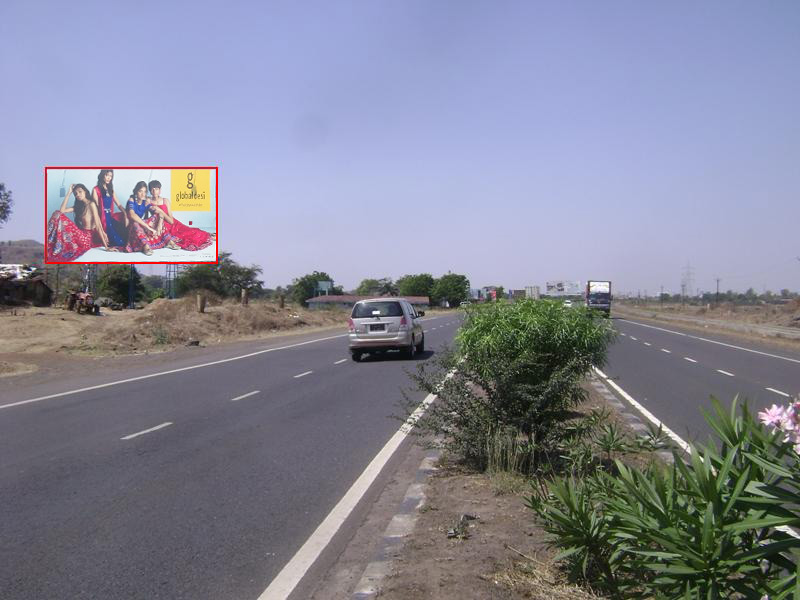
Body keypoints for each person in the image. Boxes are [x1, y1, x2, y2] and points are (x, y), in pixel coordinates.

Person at [46, 183, 113, 261]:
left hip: (86, 239)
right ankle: (49, 243)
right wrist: (69, 193)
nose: (78, 195)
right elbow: (62, 211)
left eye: (80, 192)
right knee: (57, 213)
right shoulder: (78, 206)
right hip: (81, 234)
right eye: (75, 194)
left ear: (85, 191)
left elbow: (98, 225)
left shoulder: (91, 204)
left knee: (57, 214)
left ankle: (52, 244)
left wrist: (106, 247)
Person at [147, 180, 216, 251]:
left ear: (160, 190)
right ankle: (210, 235)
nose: (154, 191)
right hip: (159, 224)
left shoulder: (165, 201)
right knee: (183, 235)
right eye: (152, 189)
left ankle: (210, 236)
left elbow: (171, 221)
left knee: (188, 231)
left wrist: (160, 211)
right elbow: (146, 216)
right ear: (150, 190)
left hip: (171, 223)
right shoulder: (148, 201)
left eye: (156, 189)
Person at [125, 181, 177, 256]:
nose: (143, 194)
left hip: (141, 224)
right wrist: (148, 227)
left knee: (156, 216)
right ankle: (146, 246)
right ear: (136, 191)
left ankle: (168, 241)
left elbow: (158, 213)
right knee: (135, 223)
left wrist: (159, 224)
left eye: (145, 192)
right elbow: (132, 215)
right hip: (132, 227)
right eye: (140, 191)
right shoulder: (132, 200)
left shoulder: (145, 202)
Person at [92, 169, 128, 247]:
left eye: (110, 176)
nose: (109, 178)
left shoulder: (110, 190)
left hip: (110, 216)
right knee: (118, 242)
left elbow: (118, 205)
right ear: (102, 175)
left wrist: (125, 214)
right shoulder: (96, 190)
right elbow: (95, 209)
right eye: (107, 175)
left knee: (125, 236)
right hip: (102, 218)